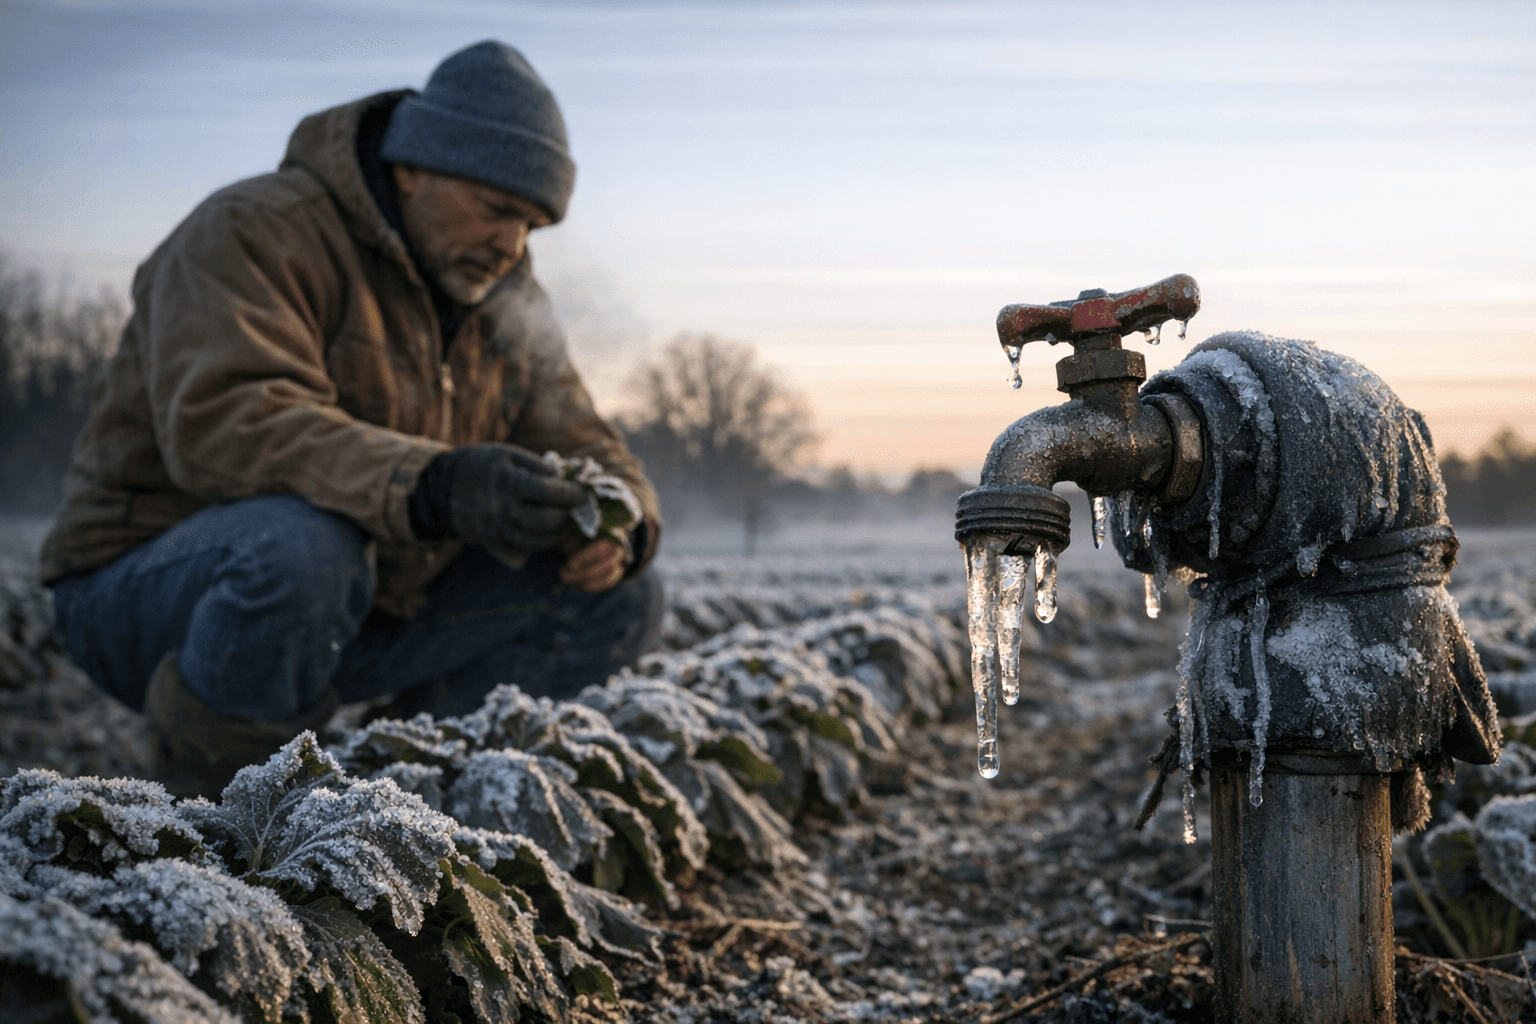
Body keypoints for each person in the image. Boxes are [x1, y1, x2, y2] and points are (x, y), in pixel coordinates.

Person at [39, 41, 664, 796]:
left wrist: (619, 527)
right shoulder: (254, 231)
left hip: (366, 597)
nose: (512, 246)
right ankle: (228, 831)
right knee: (302, 546)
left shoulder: (505, 301)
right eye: (497, 211)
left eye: (531, 225)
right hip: (153, 589)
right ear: (412, 166)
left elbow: (586, 438)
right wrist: (435, 484)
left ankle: (405, 812)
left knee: (622, 593)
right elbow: (228, 423)